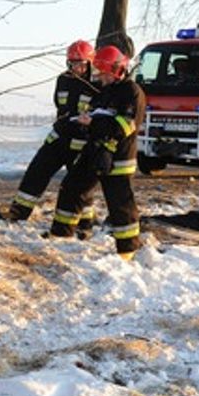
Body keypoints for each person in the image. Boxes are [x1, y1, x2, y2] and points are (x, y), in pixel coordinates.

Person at [46, 44, 146, 261]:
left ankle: (127, 250)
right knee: (71, 187)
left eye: (105, 74)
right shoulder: (105, 91)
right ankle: (61, 235)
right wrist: (83, 122)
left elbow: (124, 127)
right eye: (100, 74)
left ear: (118, 70)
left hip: (118, 157)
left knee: (120, 203)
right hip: (94, 151)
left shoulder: (132, 93)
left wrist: (94, 122)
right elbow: (94, 114)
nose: (101, 79)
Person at [0, 40, 99, 223]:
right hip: (59, 136)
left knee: (79, 184)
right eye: (72, 63)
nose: (76, 68)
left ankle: (85, 222)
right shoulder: (63, 80)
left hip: (81, 141)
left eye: (80, 63)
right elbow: (60, 105)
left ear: (90, 62)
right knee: (36, 172)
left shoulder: (97, 85)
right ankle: (18, 213)